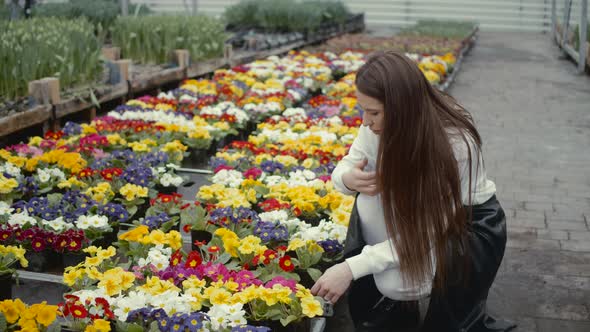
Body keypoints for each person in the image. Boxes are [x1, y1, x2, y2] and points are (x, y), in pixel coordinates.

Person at [311, 51, 516, 332]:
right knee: (368, 198)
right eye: (363, 109)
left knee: (402, 287)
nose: (365, 121)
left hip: (468, 226)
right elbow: (347, 163)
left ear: (402, 108)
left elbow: (425, 231)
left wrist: (350, 268)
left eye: (373, 112)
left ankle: (412, 286)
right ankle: (398, 297)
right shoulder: (376, 129)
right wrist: (348, 179)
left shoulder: (454, 144)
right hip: (416, 213)